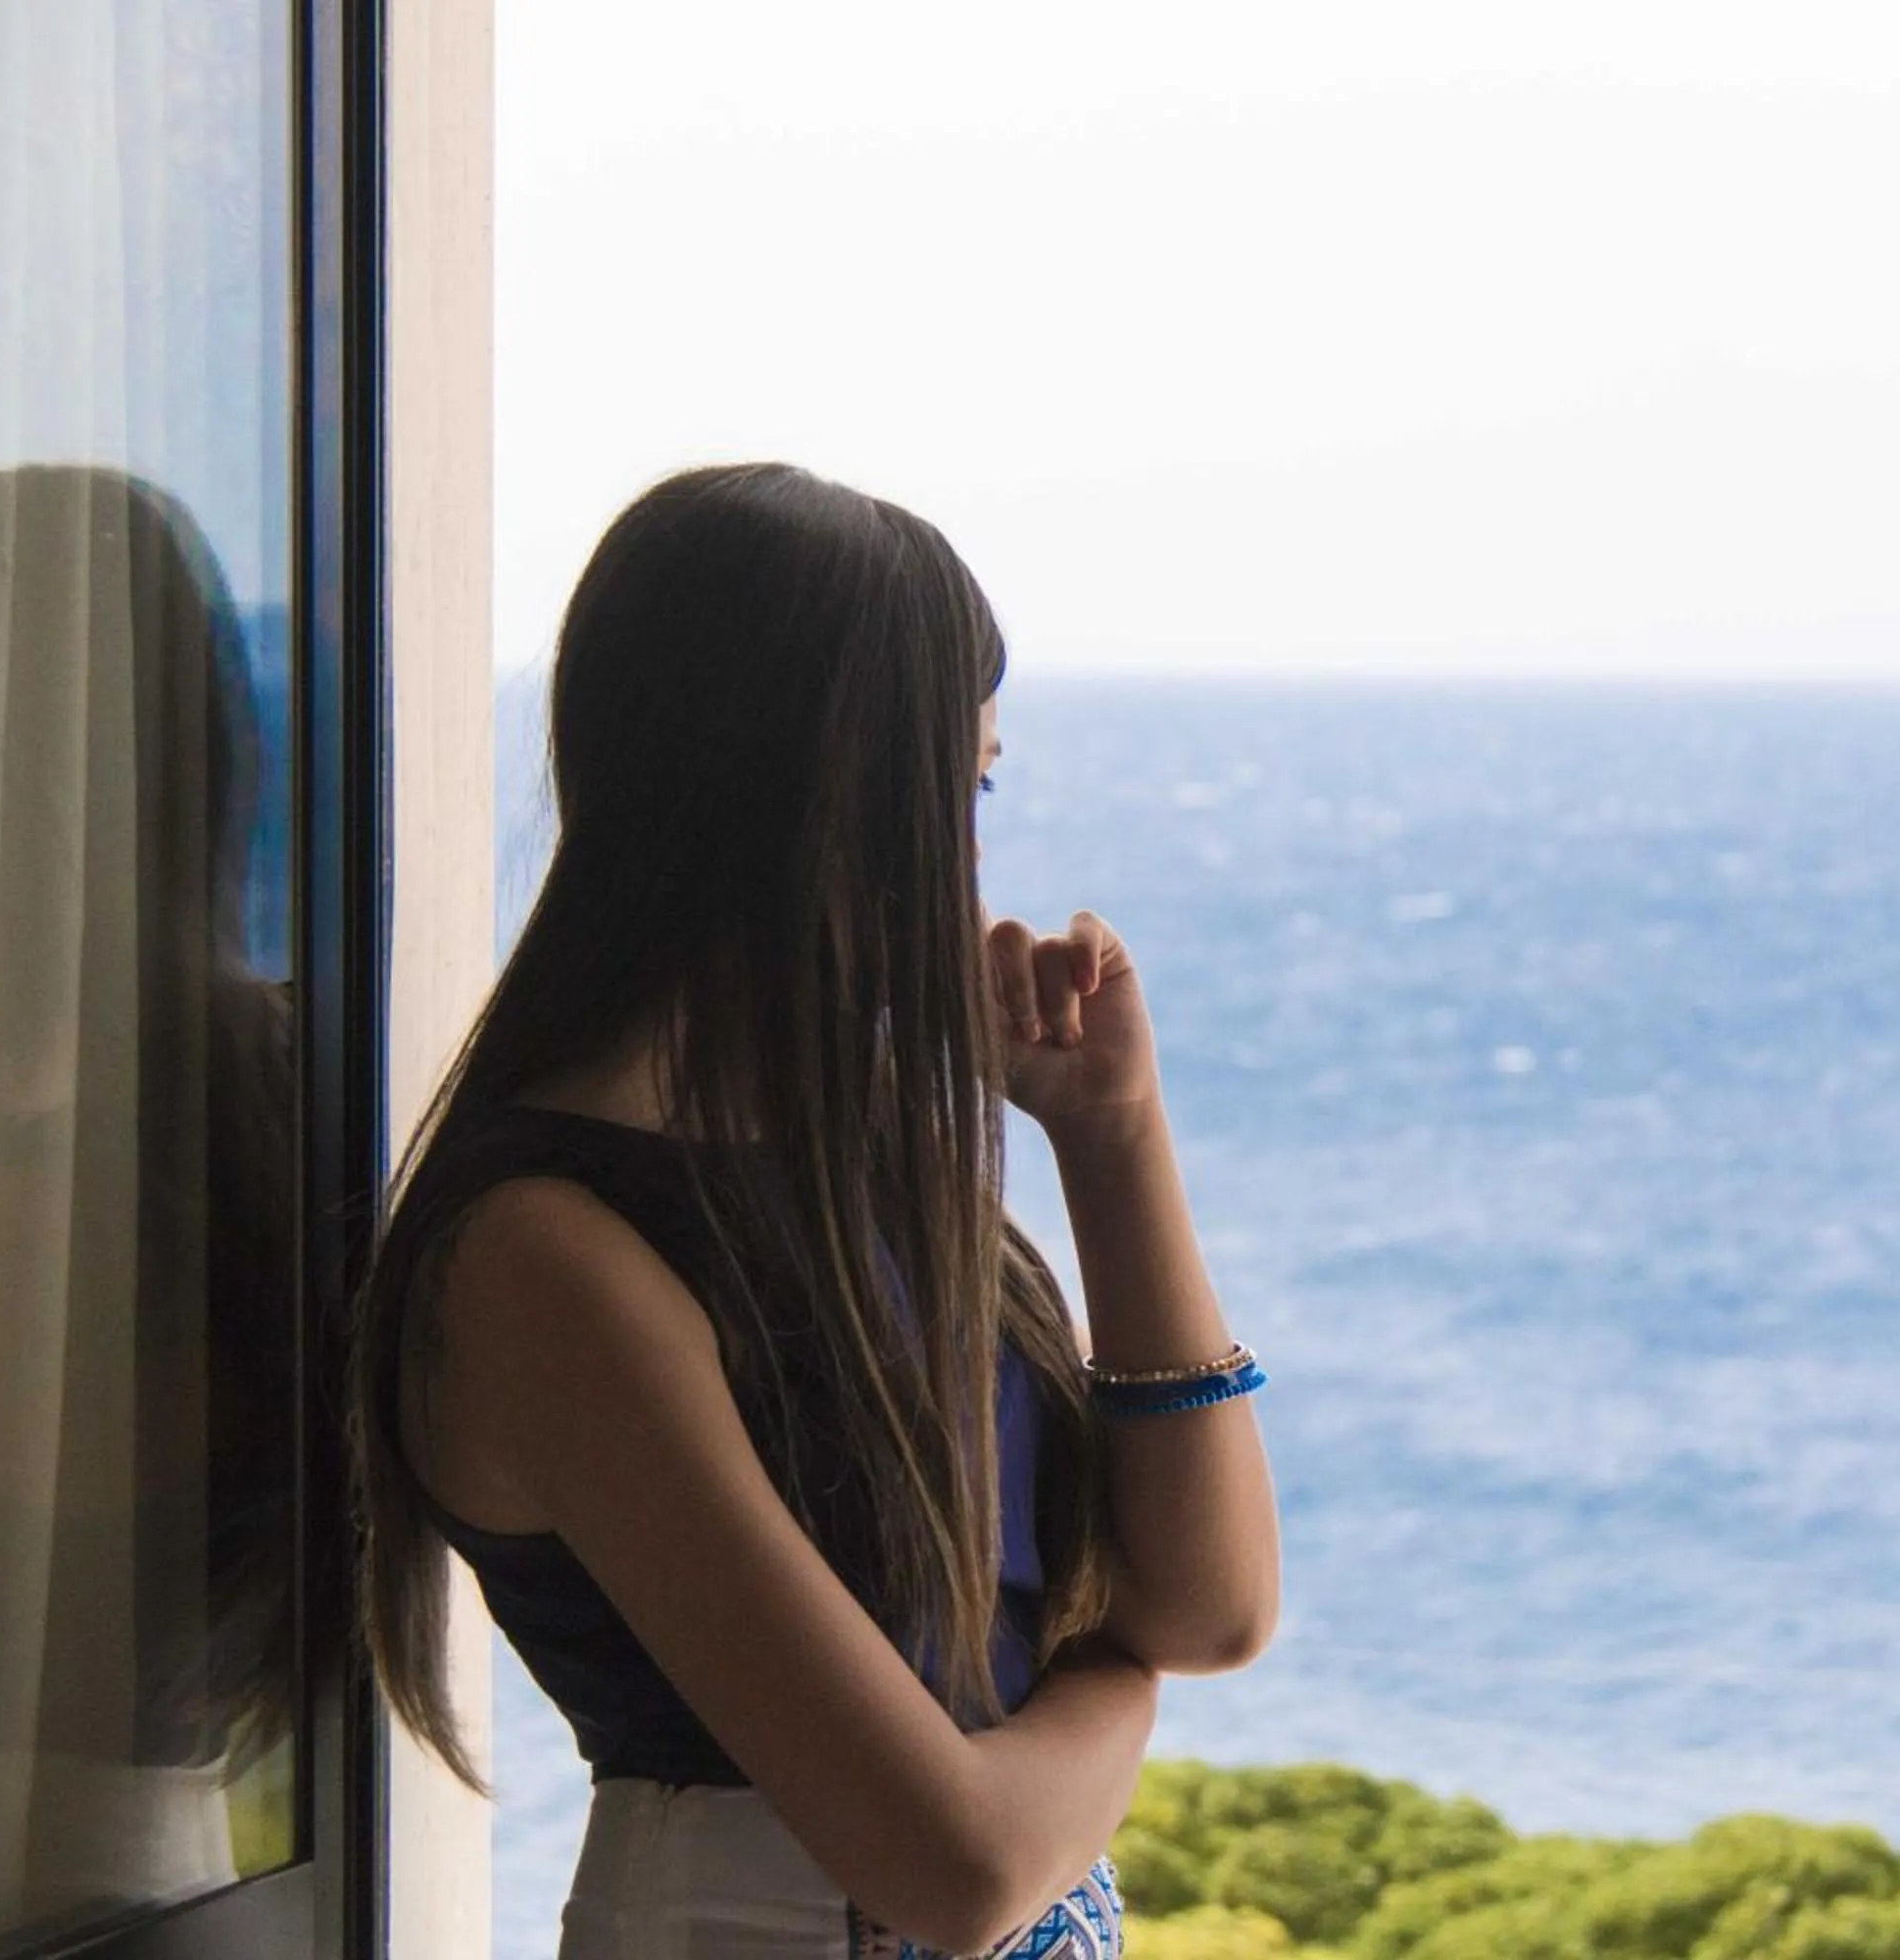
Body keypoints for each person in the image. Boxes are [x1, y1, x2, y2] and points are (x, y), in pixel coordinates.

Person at [348, 463, 1282, 1958]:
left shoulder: (856, 1172)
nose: (971, 854)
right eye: (954, 791)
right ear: (825, 791)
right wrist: (1116, 1684)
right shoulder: (541, 1257)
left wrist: (1110, 1140)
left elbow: (1217, 1606)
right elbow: (957, 1869)